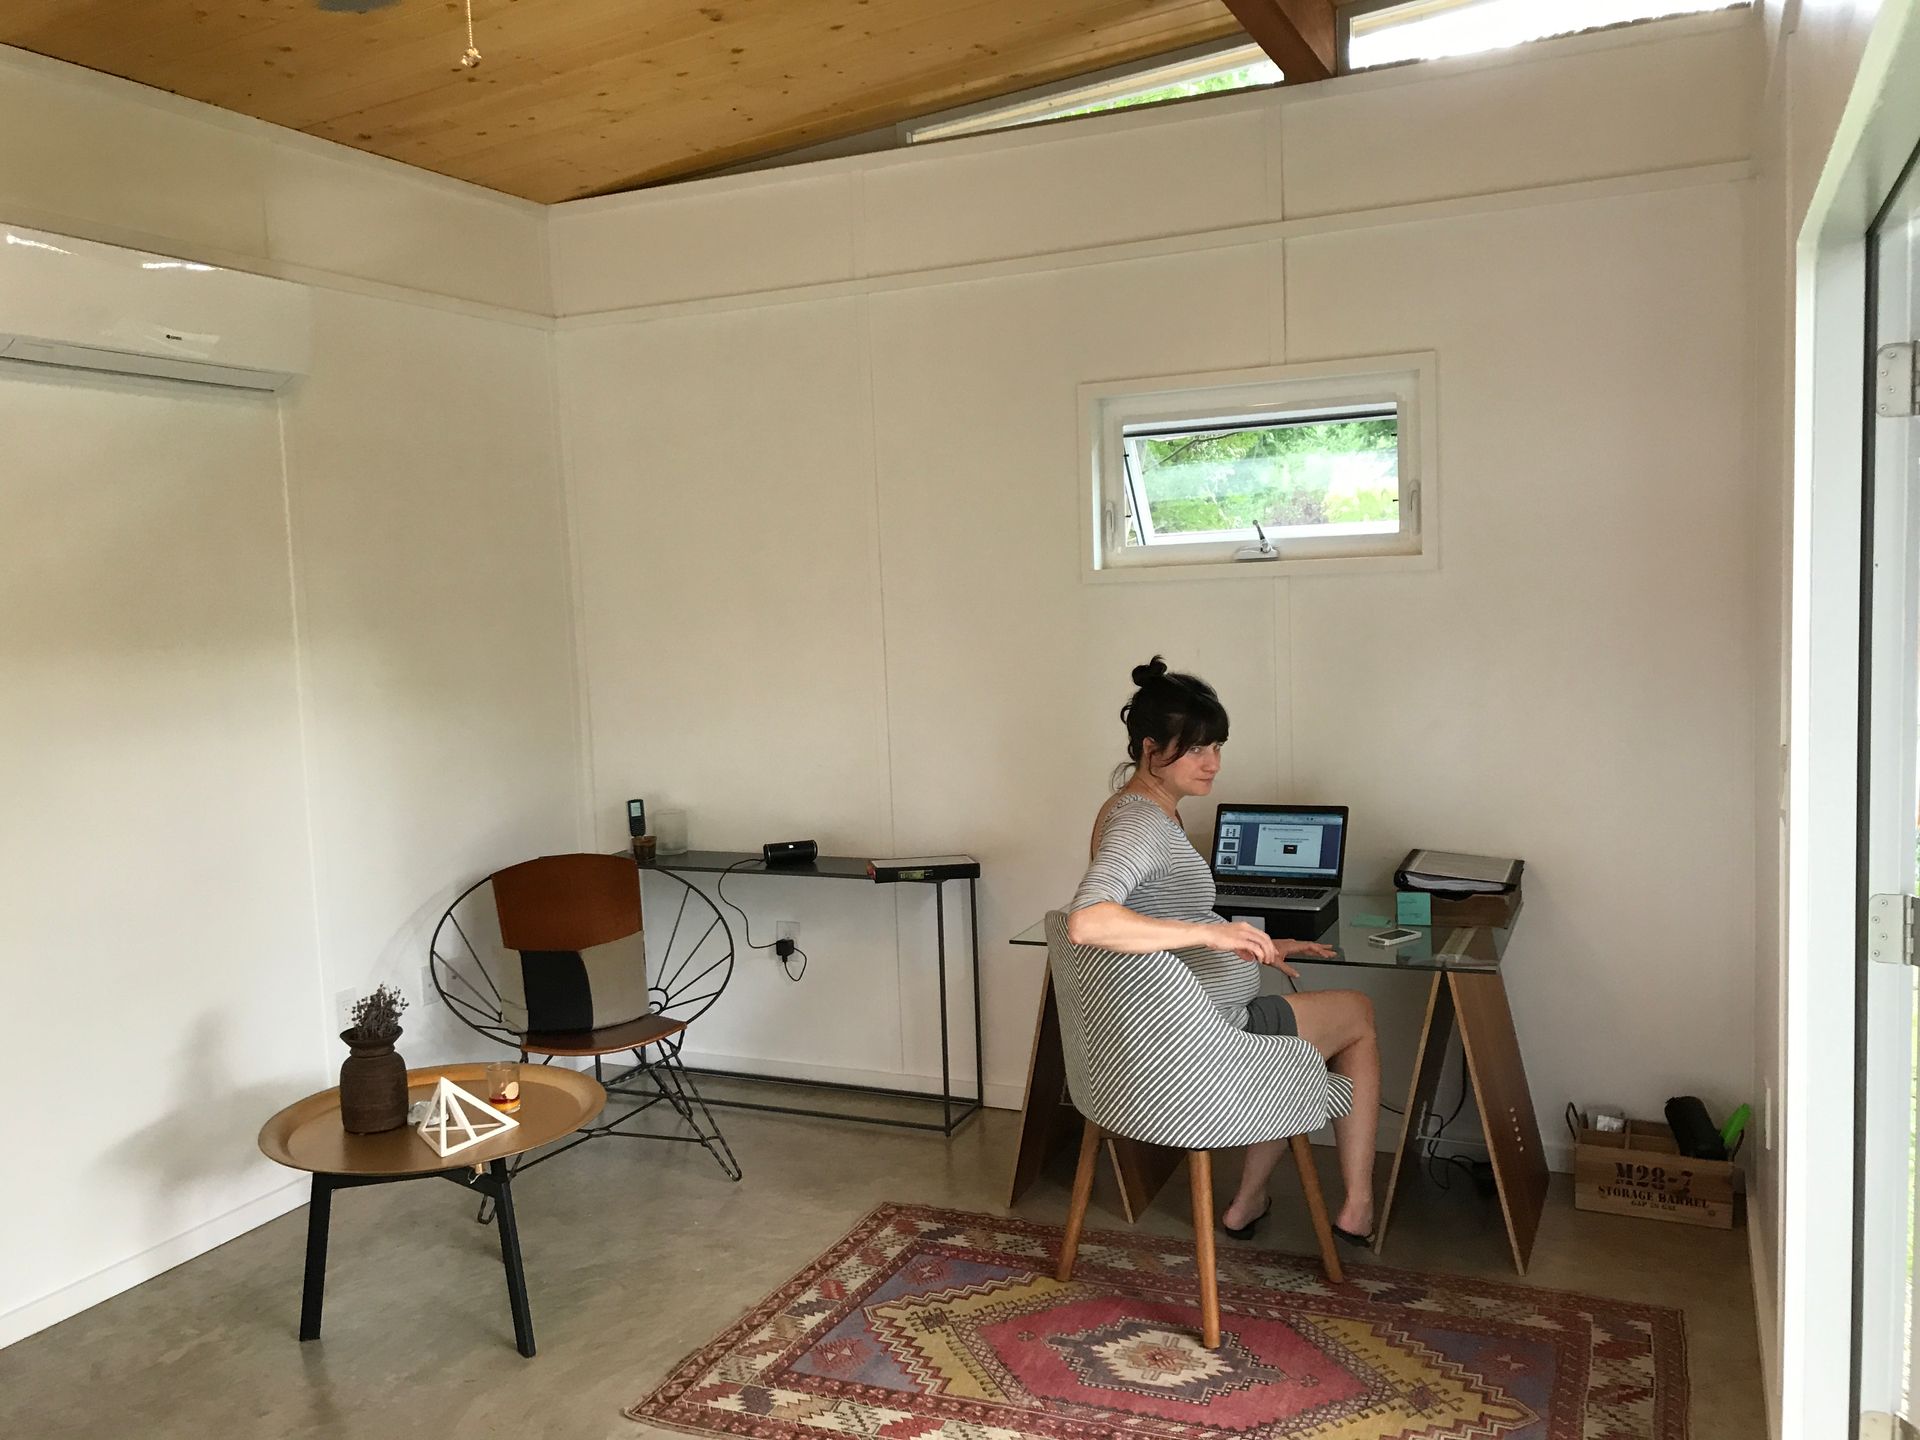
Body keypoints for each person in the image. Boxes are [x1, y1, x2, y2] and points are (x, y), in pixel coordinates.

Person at [1066, 656, 1381, 1244]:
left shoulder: (1146, 813)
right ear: (1148, 747)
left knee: (1285, 1041)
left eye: (1218, 746)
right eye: (1194, 749)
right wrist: (1213, 935)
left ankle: (1248, 1200)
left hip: (1171, 1037)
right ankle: (1357, 1206)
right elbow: (1088, 921)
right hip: (1198, 1048)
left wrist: (1257, 938)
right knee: (1357, 1015)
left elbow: (1166, 913)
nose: (1211, 763)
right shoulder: (1140, 825)